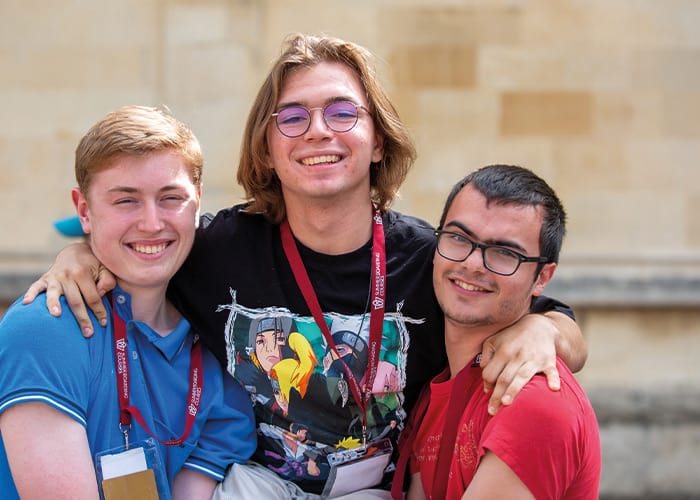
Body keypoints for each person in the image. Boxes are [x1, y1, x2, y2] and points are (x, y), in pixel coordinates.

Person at [22, 34, 587, 497]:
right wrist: (79, 254)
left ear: (378, 141)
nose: (318, 130)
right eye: (291, 117)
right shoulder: (217, 246)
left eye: (343, 112)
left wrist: (546, 327)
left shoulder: (431, 259)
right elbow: (145, 240)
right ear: (267, 148)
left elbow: (536, 309)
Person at [0, 105, 257, 500]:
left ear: (197, 202)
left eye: (170, 198)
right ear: (84, 211)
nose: (152, 223)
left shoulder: (221, 348)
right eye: (126, 201)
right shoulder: (43, 330)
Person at [392, 165, 601, 500]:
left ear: (543, 278)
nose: (473, 264)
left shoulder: (534, 402)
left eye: (505, 252)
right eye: (459, 238)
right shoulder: (438, 391)